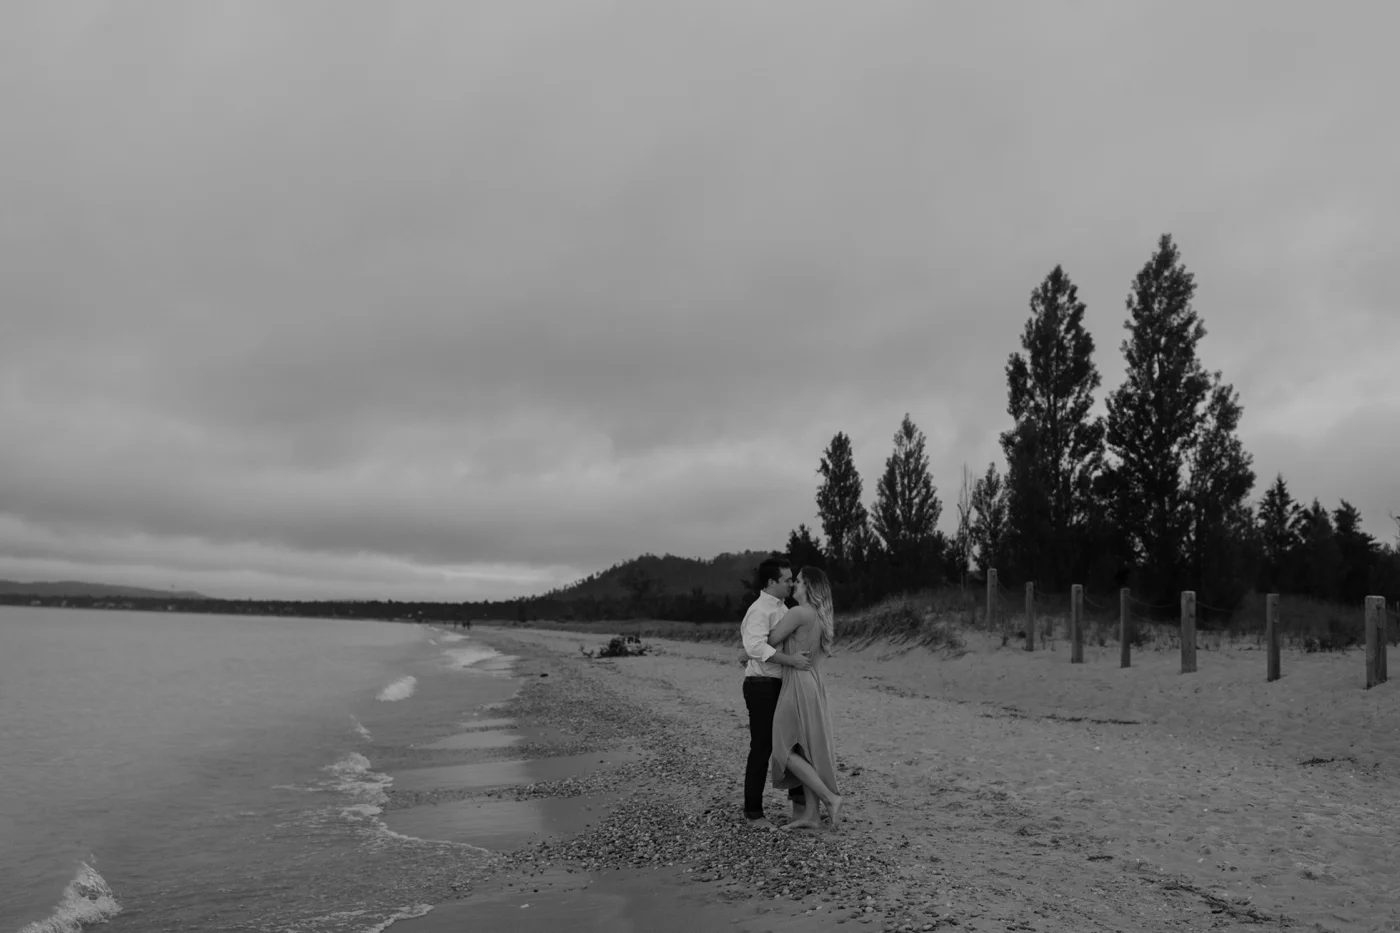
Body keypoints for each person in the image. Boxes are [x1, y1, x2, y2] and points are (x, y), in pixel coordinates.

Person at [767, 565, 843, 830]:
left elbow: (770, 639)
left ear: (809, 586)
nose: (794, 585)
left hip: (797, 683)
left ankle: (830, 798)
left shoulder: (799, 613)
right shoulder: (820, 617)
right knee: (805, 750)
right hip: (813, 683)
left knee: (782, 748)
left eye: (798, 581)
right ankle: (812, 815)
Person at [740, 556, 811, 826]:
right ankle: (753, 813)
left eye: (793, 579)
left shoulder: (784, 608)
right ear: (771, 582)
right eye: (787, 580)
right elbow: (756, 647)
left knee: (795, 743)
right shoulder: (760, 610)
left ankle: (800, 809)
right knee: (762, 747)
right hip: (762, 685)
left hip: (783, 684)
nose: (791, 584)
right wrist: (791, 661)